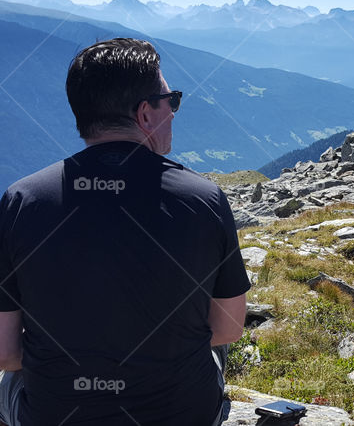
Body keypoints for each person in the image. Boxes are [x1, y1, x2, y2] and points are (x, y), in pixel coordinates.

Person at [0, 38, 250, 425]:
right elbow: (228, 328)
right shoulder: (204, 199)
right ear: (145, 114)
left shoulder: (22, 200)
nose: (174, 112)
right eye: (171, 101)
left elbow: (6, 353)